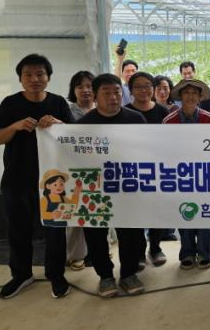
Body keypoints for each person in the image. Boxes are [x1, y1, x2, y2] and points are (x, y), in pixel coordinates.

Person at [0, 54, 74, 299]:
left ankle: (56, 275)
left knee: (55, 231)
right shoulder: (10, 104)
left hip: (53, 181)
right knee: (18, 229)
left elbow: (73, 138)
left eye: (40, 74)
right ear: (20, 79)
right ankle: (21, 274)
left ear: (48, 78)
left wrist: (58, 124)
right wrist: (15, 126)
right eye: (28, 74)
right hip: (16, 179)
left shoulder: (58, 102)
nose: (34, 79)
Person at [77, 73, 147, 298]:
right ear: (95, 96)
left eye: (116, 92)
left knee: (131, 233)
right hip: (95, 189)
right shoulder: (83, 124)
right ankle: (105, 276)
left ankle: (129, 274)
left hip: (128, 186)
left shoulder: (135, 119)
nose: (113, 97)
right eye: (106, 93)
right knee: (96, 234)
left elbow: (147, 151)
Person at [163, 79, 210, 269]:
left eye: (194, 93)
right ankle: (187, 252)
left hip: (204, 175)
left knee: (204, 215)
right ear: (180, 96)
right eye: (187, 93)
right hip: (180, 176)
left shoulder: (209, 119)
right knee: (184, 214)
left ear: (200, 97)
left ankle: (204, 253)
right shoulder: (169, 121)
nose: (190, 96)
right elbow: (164, 150)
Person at [125, 71, 171, 268]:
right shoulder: (124, 112)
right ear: (130, 90)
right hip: (132, 170)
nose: (143, 90)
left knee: (156, 211)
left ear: (153, 89)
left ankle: (155, 248)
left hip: (158, 169)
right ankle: (139, 251)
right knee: (136, 213)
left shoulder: (163, 112)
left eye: (147, 86)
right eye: (138, 87)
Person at [65, 70, 95, 270]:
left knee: (98, 209)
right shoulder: (67, 112)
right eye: (80, 86)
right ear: (73, 90)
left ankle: (97, 250)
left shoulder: (103, 110)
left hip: (99, 169)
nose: (85, 90)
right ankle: (75, 254)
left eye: (89, 86)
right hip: (74, 169)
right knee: (75, 212)